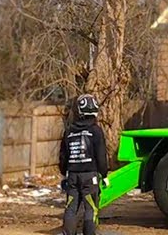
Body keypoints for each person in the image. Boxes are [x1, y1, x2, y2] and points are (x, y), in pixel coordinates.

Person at [60, 93, 109, 235]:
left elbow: (63, 156)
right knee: (90, 207)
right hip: (90, 176)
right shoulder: (95, 131)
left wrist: (64, 174)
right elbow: (101, 155)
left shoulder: (68, 132)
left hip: (73, 176)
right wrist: (104, 174)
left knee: (71, 207)